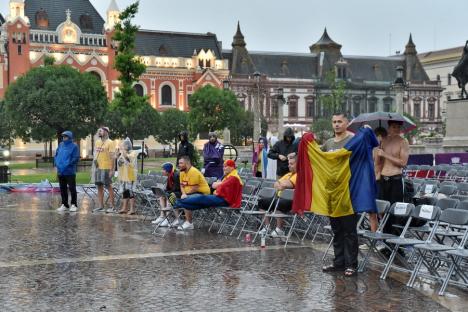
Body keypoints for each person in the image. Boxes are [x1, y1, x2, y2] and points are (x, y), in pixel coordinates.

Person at [321, 112, 359, 277]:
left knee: (349, 230)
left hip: (348, 191)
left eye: (339, 122)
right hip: (332, 192)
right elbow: (318, 157)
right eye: (334, 121)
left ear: (347, 123)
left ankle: (351, 265)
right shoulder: (328, 143)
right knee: (336, 229)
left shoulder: (352, 140)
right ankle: (339, 263)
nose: (336, 124)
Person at [174, 159, 243, 230]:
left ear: (232, 167)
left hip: (226, 201)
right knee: (200, 204)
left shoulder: (233, 177)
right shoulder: (228, 176)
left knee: (202, 198)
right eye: (223, 166)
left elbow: (216, 187)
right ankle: (180, 206)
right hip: (222, 198)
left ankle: (178, 203)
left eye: (225, 166)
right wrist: (218, 185)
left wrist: (217, 186)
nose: (223, 168)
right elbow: (215, 186)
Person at [375, 120, 410, 234]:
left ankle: (395, 241)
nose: (396, 129)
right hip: (383, 179)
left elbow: (403, 162)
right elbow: (379, 162)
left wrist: (385, 154)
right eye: (394, 127)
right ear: (389, 128)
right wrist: (377, 173)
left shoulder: (403, 142)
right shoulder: (383, 141)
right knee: (382, 210)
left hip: (395, 178)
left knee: (395, 211)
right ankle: (385, 239)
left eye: (398, 127)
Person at [258, 153, 297, 237]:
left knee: (280, 203)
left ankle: (279, 229)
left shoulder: (299, 175)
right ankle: (267, 226)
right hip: (280, 197)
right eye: (288, 163)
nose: (289, 166)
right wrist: (282, 184)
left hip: (294, 201)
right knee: (262, 202)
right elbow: (276, 184)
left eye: (291, 164)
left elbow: (286, 185)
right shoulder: (288, 174)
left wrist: (282, 184)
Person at [175, 156, 211, 229]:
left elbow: (195, 188)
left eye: (181, 163)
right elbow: (182, 186)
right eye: (179, 163)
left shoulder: (193, 172)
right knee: (171, 196)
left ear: (187, 164)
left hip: (202, 193)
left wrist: (186, 195)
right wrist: (184, 193)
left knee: (186, 200)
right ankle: (177, 219)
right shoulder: (182, 172)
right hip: (189, 192)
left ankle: (189, 223)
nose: (179, 165)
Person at [92, 127, 116, 213]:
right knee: (99, 187)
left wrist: (112, 170)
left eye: (101, 131)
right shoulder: (98, 142)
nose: (99, 132)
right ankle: (101, 206)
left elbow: (113, 157)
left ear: (106, 132)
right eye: (99, 131)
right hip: (98, 167)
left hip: (106, 167)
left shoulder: (110, 142)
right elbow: (96, 153)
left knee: (109, 187)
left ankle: (112, 206)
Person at [55, 131, 80, 212]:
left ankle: (74, 204)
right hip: (61, 171)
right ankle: (64, 204)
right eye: (63, 136)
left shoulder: (74, 146)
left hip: (69, 171)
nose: (63, 138)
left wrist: (68, 164)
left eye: (65, 136)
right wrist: (57, 163)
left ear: (69, 137)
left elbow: (75, 158)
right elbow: (57, 154)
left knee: (72, 188)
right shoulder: (61, 145)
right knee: (62, 189)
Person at [117, 139, 138, 215]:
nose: (123, 146)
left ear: (128, 145)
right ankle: (124, 208)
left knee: (131, 192)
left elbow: (128, 159)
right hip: (124, 175)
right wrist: (118, 156)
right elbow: (119, 163)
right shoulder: (122, 153)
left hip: (131, 176)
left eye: (124, 145)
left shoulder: (133, 153)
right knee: (124, 192)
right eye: (123, 145)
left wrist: (123, 152)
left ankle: (132, 209)